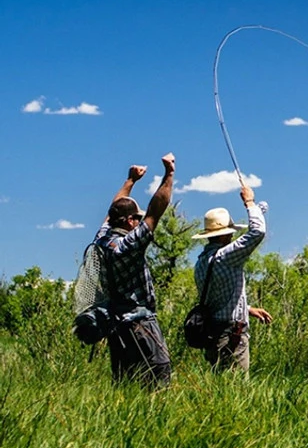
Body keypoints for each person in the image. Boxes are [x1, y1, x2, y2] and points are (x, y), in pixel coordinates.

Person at [95, 153, 176, 387]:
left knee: (125, 383)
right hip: (141, 324)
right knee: (158, 375)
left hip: (116, 325)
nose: (139, 222)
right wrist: (169, 174)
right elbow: (155, 210)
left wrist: (130, 181)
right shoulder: (128, 246)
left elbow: (112, 212)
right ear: (129, 221)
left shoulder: (101, 239)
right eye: (136, 219)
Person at [192, 183, 272, 373]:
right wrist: (249, 202)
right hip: (231, 335)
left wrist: (248, 309)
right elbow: (257, 232)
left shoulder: (201, 261)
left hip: (213, 333)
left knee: (219, 383)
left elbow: (218, 297)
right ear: (224, 235)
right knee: (236, 386)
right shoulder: (226, 256)